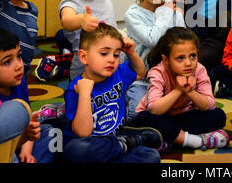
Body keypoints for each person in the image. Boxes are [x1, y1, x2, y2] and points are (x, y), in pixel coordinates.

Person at [63, 22, 161, 163]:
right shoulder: (76, 89)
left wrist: (131, 53)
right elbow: (83, 133)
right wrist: (84, 94)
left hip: (114, 139)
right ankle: (128, 143)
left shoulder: (118, 74)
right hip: (91, 147)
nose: (111, 60)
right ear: (84, 57)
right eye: (104, 53)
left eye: (116, 55)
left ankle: (124, 144)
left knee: (151, 157)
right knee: (76, 150)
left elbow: (140, 73)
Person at [131, 27, 229, 151]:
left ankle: (170, 141)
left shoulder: (199, 69)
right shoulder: (157, 72)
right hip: (160, 117)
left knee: (218, 116)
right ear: (166, 60)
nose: (188, 63)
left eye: (192, 56)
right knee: (142, 119)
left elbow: (209, 105)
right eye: (180, 58)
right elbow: (154, 110)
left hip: (183, 116)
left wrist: (191, 92)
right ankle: (196, 141)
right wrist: (178, 90)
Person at [124, 0, 185, 121]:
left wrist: (176, 13)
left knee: (199, 109)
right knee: (137, 115)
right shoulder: (133, 15)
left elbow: (183, 43)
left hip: (171, 81)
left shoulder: (173, 12)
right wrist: (165, 12)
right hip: (143, 81)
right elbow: (154, 40)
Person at [0, 26, 53, 163]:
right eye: (7, 62)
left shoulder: (19, 83)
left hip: (17, 139)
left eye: (19, 56)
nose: (18, 66)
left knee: (49, 132)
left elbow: (27, 122)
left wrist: (26, 147)